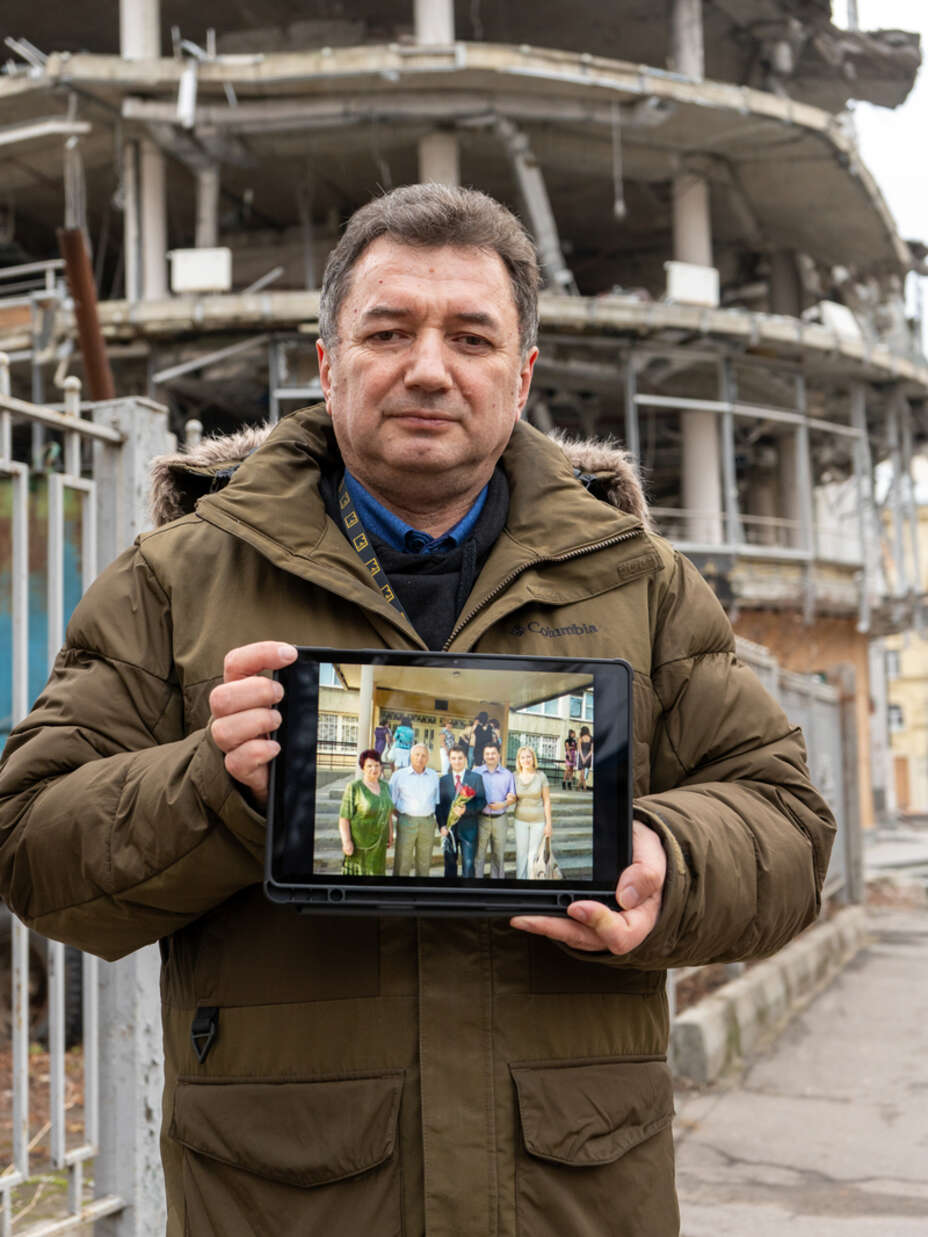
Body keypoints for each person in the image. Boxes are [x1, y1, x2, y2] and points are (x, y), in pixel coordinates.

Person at [0, 184, 836, 1237]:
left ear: (521, 374)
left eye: (471, 337)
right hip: (288, 1196)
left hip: (568, 1193)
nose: (428, 368)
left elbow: (792, 828)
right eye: (387, 332)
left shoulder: (640, 582)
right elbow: (31, 843)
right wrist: (215, 784)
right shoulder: (176, 581)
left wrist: (668, 856)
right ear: (328, 363)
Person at [338, 748, 395, 875]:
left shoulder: (385, 786)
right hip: (360, 845)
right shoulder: (354, 787)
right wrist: (346, 841)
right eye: (369, 766)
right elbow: (344, 818)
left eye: (377, 765)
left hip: (380, 843)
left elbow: (388, 812)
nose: (374, 769)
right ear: (362, 768)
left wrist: (391, 832)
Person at [388, 742, 440, 876]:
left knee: (424, 861)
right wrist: (402, 816)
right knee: (402, 860)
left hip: (427, 823)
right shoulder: (399, 775)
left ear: (427, 758)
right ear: (411, 756)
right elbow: (390, 802)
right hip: (406, 821)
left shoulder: (434, 776)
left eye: (423, 755)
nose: (420, 758)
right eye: (417, 754)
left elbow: (437, 801)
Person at [436, 745, 487, 878]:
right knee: (450, 865)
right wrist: (441, 825)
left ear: (465, 759)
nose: (457, 761)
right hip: (449, 830)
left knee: (469, 865)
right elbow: (439, 806)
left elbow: (482, 801)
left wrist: (466, 809)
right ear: (449, 760)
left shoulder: (476, 778)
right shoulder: (443, 780)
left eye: (460, 758)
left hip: (469, 829)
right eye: (453, 758)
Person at [474, 741, 516, 878]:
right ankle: (477, 886)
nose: (490, 756)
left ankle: (496, 886)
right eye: (487, 753)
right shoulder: (476, 773)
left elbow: (512, 797)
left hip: (500, 819)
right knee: (479, 854)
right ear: (483, 756)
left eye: (493, 753)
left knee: (498, 855)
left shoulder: (507, 774)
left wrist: (503, 804)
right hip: (481, 819)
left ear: (499, 755)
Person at [512, 746, 553, 880]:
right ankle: (520, 881)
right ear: (519, 760)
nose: (526, 759)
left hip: (538, 821)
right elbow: (510, 797)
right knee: (521, 853)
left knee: (533, 854)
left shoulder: (541, 776)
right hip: (520, 820)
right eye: (523, 757)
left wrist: (549, 824)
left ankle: (531, 881)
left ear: (533, 758)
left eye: (528, 756)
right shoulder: (514, 776)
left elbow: (546, 801)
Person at [577, 724, 594, 790]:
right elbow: (592, 750)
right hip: (588, 756)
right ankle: (584, 787)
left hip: (582, 755)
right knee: (585, 771)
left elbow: (579, 749)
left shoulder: (580, 738)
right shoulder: (592, 738)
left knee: (582, 772)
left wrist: (582, 757)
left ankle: (580, 786)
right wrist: (586, 757)